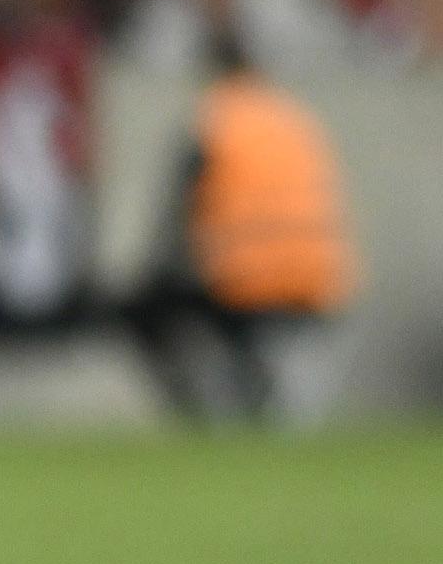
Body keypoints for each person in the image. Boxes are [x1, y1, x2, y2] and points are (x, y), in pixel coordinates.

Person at [122, 29, 355, 420]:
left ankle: (212, 412)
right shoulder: (297, 118)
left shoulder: (214, 119)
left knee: (149, 310)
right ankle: (263, 395)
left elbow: (176, 213)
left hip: (245, 278)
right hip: (319, 278)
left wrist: (152, 273)